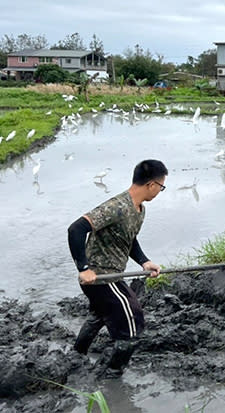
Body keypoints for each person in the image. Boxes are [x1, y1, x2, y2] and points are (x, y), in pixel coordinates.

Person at [67, 159, 167, 378]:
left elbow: (128, 240)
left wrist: (144, 261)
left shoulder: (139, 209)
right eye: (161, 186)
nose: (161, 191)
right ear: (151, 184)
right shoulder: (117, 207)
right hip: (101, 277)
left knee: (99, 314)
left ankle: (76, 356)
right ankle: (112, 378)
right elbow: (76, 229)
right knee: (133, 323)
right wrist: (83, 268)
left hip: (113, 273)